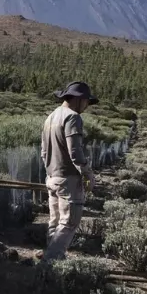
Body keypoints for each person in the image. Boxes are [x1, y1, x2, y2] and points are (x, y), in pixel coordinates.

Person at [39, 81, 98, 261]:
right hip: (68, 179)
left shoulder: (51, 117)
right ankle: (51, 262)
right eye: (86, 101)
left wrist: (50, 172)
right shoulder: (73, 117)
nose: (87, 106)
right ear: (78, 99)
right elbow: (75, 152)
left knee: (55, 221)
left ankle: (51, 259)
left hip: (52, 177)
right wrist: (87, 173)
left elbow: (43, 152)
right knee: (69, 222)